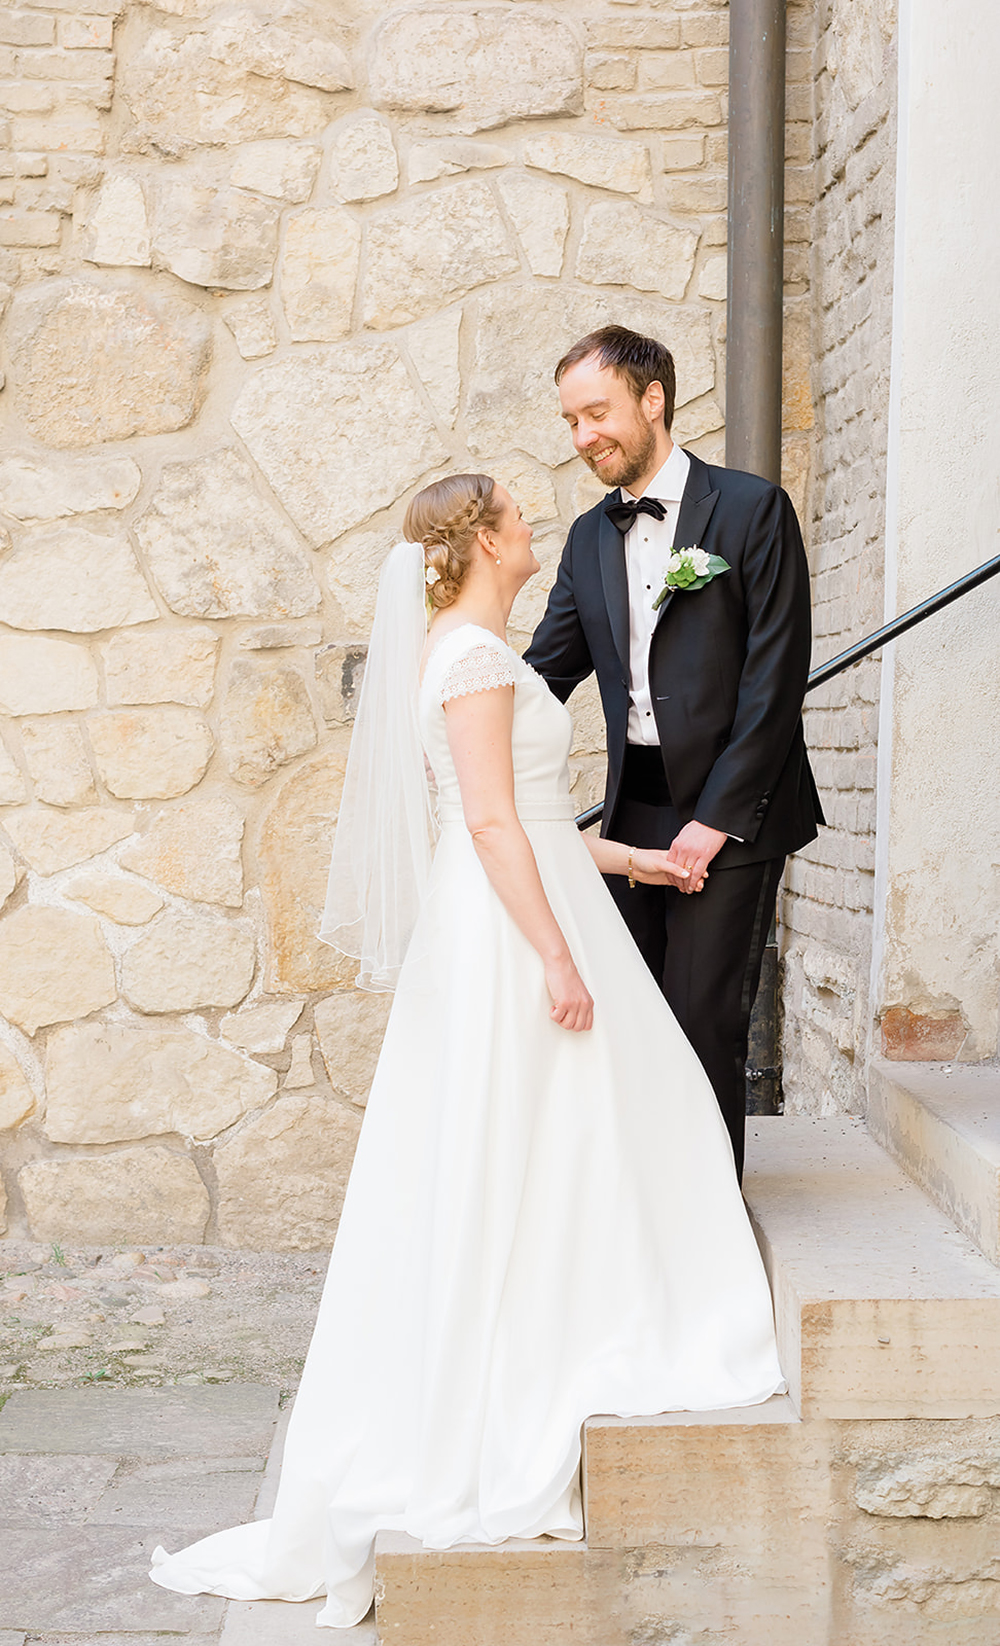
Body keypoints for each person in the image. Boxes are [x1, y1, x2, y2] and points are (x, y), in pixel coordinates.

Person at [150, 474, 784, 1629]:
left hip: (529, 900)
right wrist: (553, 955)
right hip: (507, 933)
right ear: (485, 540)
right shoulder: (477, 661)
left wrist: (634, 867)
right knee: (543, 1133)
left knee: (578, 1133)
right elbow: (491, 826)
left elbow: (530, 822)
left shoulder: (470, 647)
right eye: (517, 516)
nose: (536, 525)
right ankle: (530, 1356)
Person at [525, 327, 824, 1181]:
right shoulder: (588, 539)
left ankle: (713, 1221)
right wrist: (461, 708)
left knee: (703, 1016)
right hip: (635, 813)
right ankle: (652, 1216)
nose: (583, 437)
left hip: (738, 806)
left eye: (596, 413)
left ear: (652, 401)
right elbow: (546, 671)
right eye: (571, 421)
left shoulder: (751, 508)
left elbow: (776, 680)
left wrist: (716, 822)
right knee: (637, 1018)